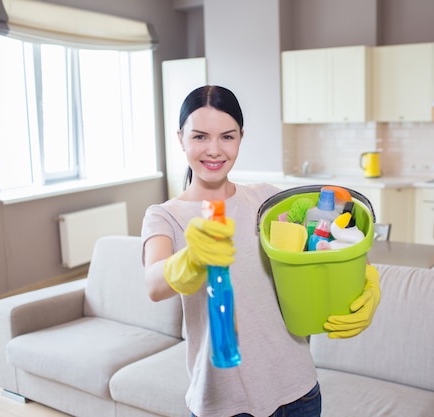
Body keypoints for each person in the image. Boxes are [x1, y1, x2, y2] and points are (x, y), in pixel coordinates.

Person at [141, 85, 381, 417]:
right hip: (223, 403)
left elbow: (330, 241)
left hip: (299, 391)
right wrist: (191, 259)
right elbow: (154, 283)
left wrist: (368, 281)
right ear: (180, 137)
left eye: (227, 136)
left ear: (241, 137)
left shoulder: (267, 201)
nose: (214, 150)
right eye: (199, 137)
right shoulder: (165, 216)